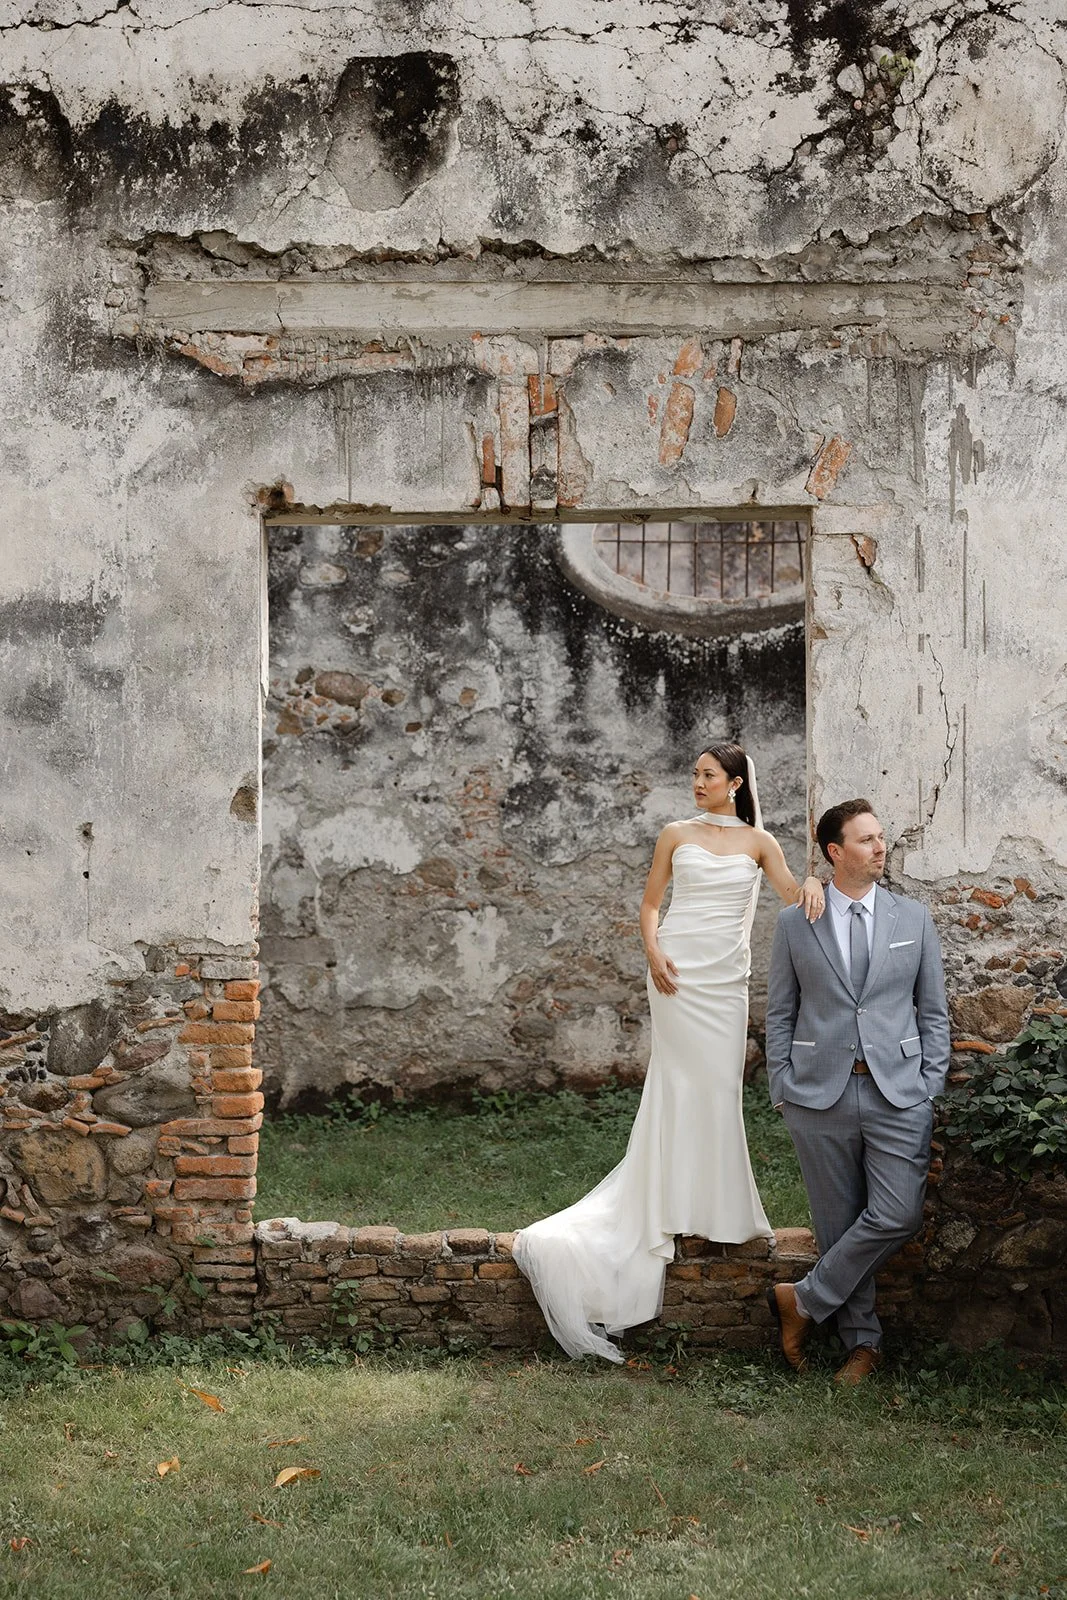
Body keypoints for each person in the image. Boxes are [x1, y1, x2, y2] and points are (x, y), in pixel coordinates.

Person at [513, 741, 825, 1363]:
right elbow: (651, 904)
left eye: (708, 774)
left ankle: (718, 1211)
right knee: (678, 1083)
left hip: (725, 982)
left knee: (718, 1088)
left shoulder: (760, 842)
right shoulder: (675, 834)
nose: (697, 782)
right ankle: (670, 1207)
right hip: (677, 974)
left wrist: (814, 878)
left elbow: (794, 896)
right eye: (694, 773)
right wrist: (653, 952)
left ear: (735, 783)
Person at [765, 799, 950, 1385]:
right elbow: (780, 1013)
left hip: (899, 1092)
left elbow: (932, 1010)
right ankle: (862, 1346)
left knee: (898, 1213)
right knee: (838, 1225)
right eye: (866, 840)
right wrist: (782, 1087)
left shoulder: (912, 918)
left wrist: (928, 1085)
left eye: (881, 837)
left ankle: (802, 1299)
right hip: (818, 1096)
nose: (880, 847)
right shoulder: (796, 922)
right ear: (834, 852)